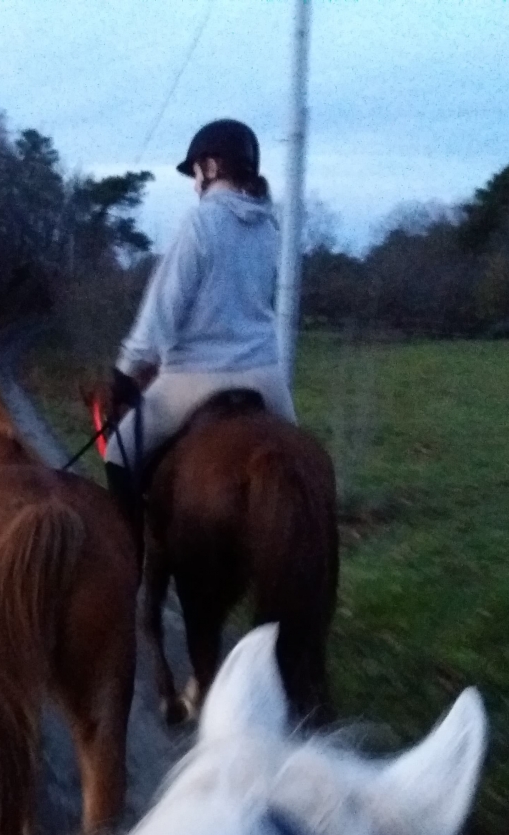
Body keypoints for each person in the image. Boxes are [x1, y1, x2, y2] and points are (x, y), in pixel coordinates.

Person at [103, 118, 296, 542]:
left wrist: (127, 369)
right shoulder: (270, 228)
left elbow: (163, 305)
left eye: (195, 173)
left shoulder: (200, 222)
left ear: (210, 167)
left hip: (195, 377)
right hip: (266, 377)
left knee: (117, 454)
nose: (194, 185)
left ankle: (131, 561)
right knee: (298, 467)